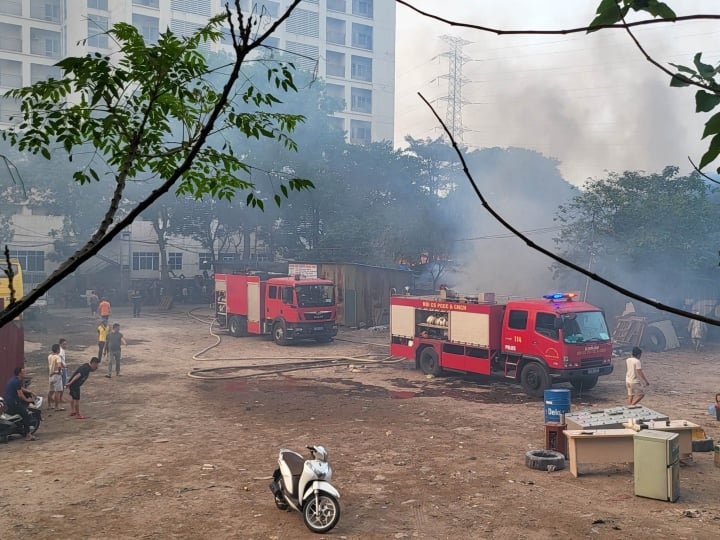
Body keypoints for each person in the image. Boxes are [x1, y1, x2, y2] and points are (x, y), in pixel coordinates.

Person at [3, 367, 38, 441]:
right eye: (23, 372)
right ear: (19, 373)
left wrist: (30, 392)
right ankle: (28, 435)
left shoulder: (13, 379)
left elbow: (20, 388)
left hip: (7, 402)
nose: (25, 373)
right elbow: (20, 395)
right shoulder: (17, 381)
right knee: (25, 414)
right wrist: (27, 400)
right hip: (13, 403)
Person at [47, 344, 64, 411]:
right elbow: (59, 366)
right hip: (56, 375)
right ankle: (57, 406)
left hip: (50, 375)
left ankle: (49, 405)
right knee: (57, 391)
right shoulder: (58, 357)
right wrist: (59, 371)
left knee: (51, 391)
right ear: (57, 350)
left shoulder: (49, 356)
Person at [58, 338, 68, 404]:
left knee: (59, 384)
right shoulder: (61, 351)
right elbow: (59, 360)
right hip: (62, 369)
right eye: (64, 344)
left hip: (61, 368)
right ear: (60, 344)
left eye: (65, 344)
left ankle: (58, 397)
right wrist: (64, 366)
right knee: (63, 384)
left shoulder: (60, 350)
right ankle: (60, 398)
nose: (65, 345)